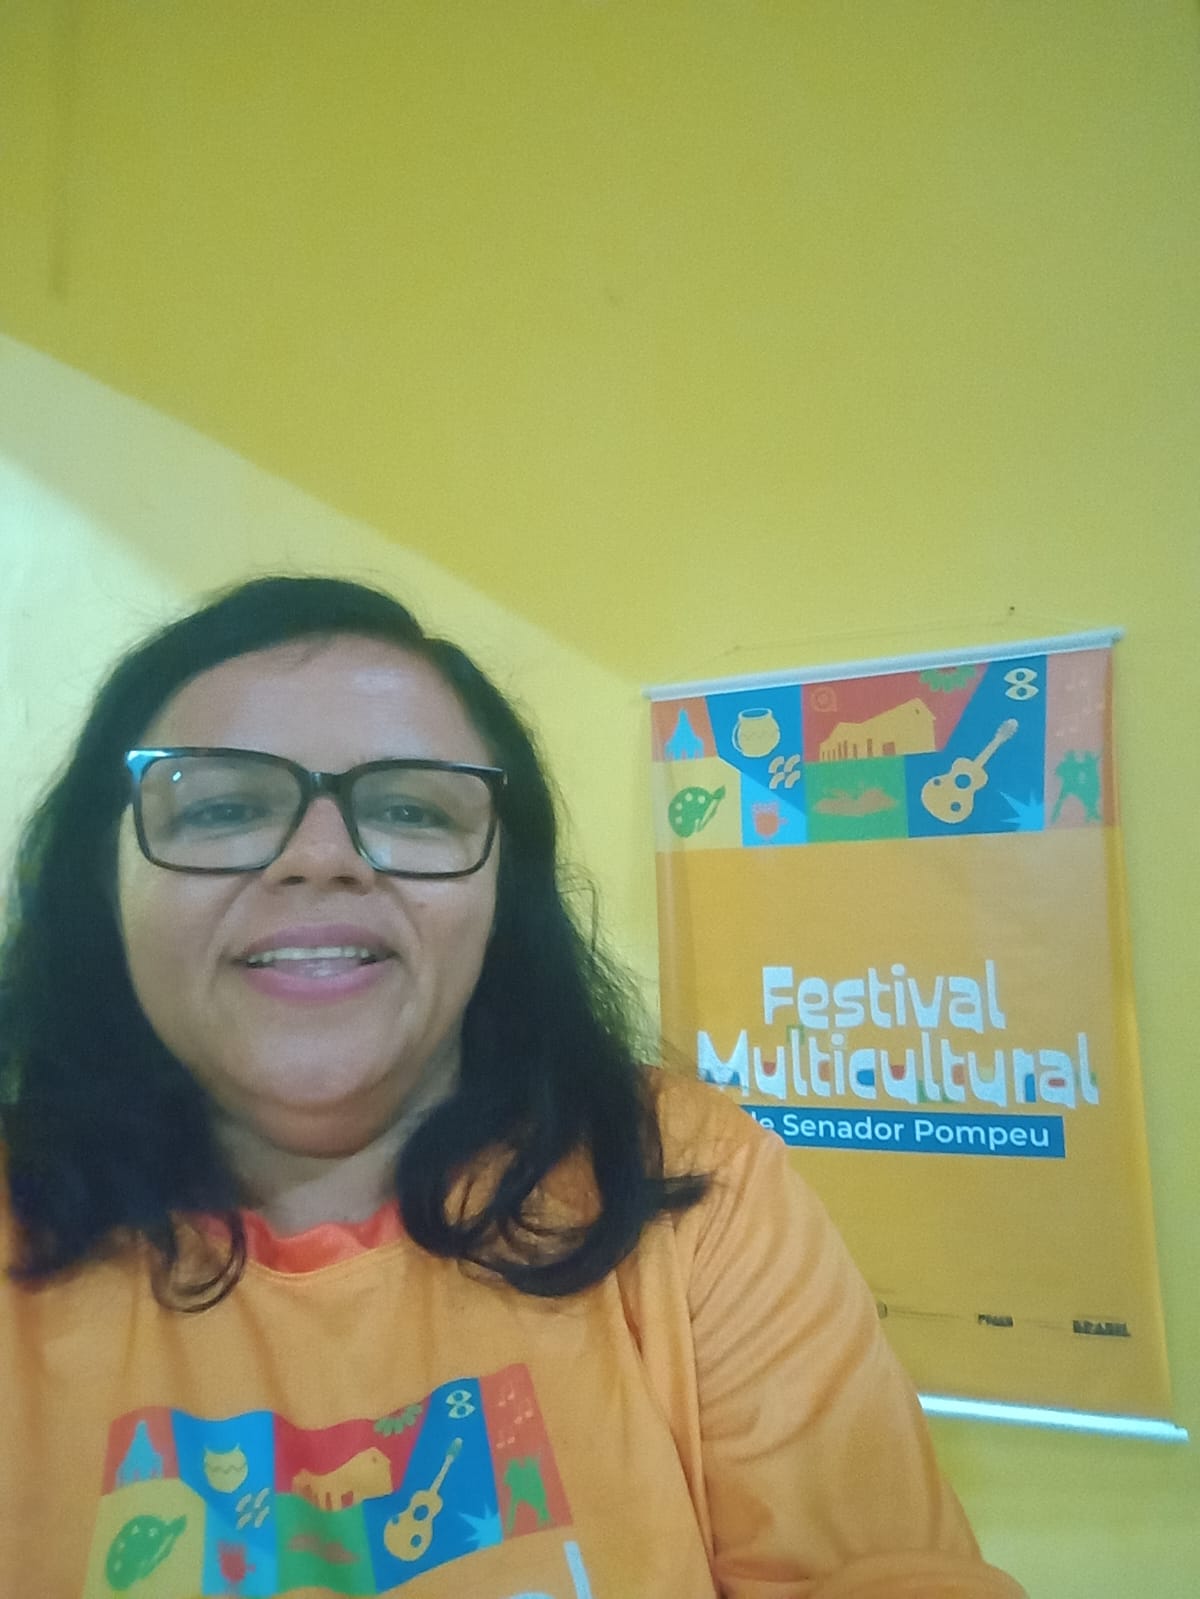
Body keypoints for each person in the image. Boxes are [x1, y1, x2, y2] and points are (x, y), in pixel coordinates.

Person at [0, 575, 1025, 1599]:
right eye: (223, 807)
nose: (321, 857)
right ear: (103, 881)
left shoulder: (685, 1175)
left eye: (410, 808)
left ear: (501, 894)